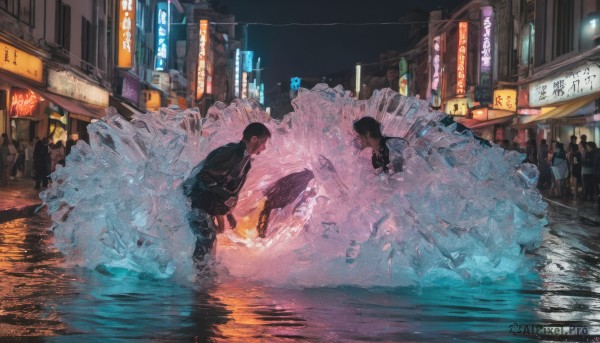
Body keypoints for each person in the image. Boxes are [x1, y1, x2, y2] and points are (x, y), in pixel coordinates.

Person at [183, 122, 271, 259]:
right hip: (192, 201)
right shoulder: (233, 152)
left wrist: (228, 213)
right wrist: (225, 196)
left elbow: (228, 186)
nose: (264, 147)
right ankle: (199, 276)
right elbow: (204, 176)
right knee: (207, 238)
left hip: (204, 204)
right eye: (263, 142)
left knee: (210, 240)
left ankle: (204, 273)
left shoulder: (245, 160)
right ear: (254, 138)